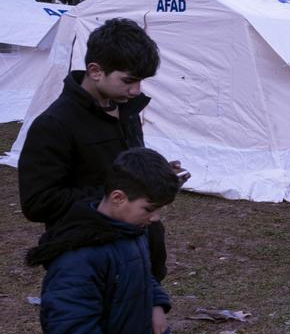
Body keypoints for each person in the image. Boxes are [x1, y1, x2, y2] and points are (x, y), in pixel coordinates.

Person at [11, 148, 180, 334]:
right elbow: (72, 333)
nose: (155, 218)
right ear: (118, 197)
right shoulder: (78, 260)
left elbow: (143, 276)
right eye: (150, 209)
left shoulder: (130, 231)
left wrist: (156, 304)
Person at [18, 18, 186, 282]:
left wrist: (156, 176)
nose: (135, 90)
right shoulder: (54, 125)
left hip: (138, 253)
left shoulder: (127, 111)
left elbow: (122, 168)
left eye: (141, 81)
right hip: (89, 259)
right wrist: (118, 195)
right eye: (128, 80)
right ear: (95, 70)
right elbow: (38, 203)